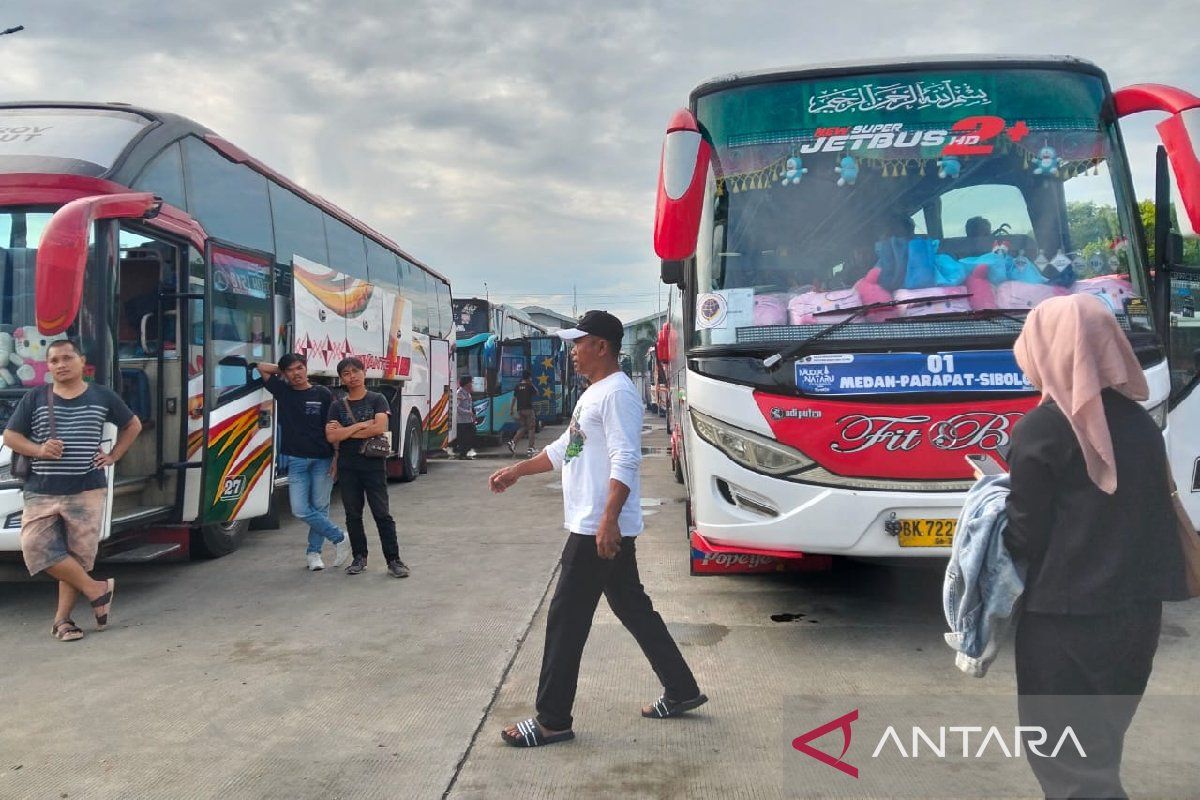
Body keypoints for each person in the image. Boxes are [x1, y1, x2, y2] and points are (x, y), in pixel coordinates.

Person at [488, 310, 705, 748]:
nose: (572, 352)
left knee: (565, 618)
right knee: (632, 608)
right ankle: (681, 689)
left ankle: (552, 720)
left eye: (578, 343)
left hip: (596, 527)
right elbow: (563, 449)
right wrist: (518, 470)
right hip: (600, 523)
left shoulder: (618, 395)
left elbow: (627, 459)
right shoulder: (593, 393)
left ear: (601, 346)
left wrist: (608, 520)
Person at [1003, 294, 1189, 798]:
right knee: (1098, 755)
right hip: (1136, 621)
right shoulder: (1141, 425)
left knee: (1068, 768)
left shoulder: (1040, 428)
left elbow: (1024, 533)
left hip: (1064, 624)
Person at [3, 339, 142, 641]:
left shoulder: (102, 396)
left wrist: (114, 455)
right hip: (41, 489)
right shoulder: (36, 397)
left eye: (67, 358)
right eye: (54, 361)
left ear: (82, 362)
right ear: (48, 367)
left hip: (86, 489)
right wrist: (39, 450)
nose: (61, 365)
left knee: (77, 557)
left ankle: (63, 621)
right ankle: (97, 589)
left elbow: (133, 425)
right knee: (35, 548)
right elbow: (11, 436)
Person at [256, 354, 349, 572]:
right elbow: (261, 366)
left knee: (320, 507)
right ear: (284, 373)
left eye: (300, 368)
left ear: (307, 368)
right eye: (290, 370)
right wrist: (283, 371)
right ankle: (339, 537)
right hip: (297, 460)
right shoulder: (283, 392)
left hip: (323, 459)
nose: (296, 373)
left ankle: (313, 553)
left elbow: (334, 426)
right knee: (299, 509)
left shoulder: (323, 393)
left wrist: (337, 457)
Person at [325, 357, 410, 578]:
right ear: (341, 378)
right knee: (353, 514)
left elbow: (380, 427)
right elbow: (331, 435)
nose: (351, 376)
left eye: (355, 371)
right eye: (346, 373)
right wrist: (362, 425)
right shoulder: (336, 405)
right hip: (347, 466)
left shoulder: (377, 399)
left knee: (382, 514)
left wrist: (348, 431)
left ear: (364, 372)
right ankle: (359, 557)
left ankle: (394, 560)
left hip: (373, 465)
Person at [506, 372, 538, 457]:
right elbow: (537, 393)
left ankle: (513, 442)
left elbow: (514, 398)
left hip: (520, 409)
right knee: (531, 428)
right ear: (529, 378)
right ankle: (531, 448)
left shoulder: (517, 386)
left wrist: (511, 409)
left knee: (523, 427)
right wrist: (531, 383)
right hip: (528, 409)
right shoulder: (529, 386)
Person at [453, 375, 476, 460]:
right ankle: (462, 454)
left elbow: (470, 406)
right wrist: (468, 412)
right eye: (471, 382)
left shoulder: (468, 393)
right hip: (461, 421)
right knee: (463, 438)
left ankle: (465, 453)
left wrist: (473, 415)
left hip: (468, 420)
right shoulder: (459, 393)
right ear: (467, 383)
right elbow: (457, 407)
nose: (472, 384)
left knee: (470, 436)